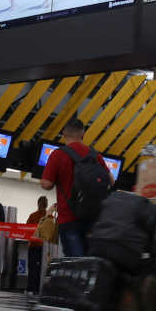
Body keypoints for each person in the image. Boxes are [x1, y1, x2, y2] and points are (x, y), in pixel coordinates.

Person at [40, 119, 111, 257]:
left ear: (64, 134)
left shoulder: (58, 154)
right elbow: (111, 180)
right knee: (90, 261)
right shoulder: (95, 155)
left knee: (75, 264)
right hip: (93, 219)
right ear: (83, 134)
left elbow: (46, 184)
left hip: (68, 218)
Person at [25, 196, 50, 293]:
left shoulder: (33, 216)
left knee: (32, 267)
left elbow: (27, 230)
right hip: (44, 247)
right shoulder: (50, 216)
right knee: (42, 268)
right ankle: (39, 289)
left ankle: (30, 288)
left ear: (38, 203)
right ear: (47, 204)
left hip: (33, 245)